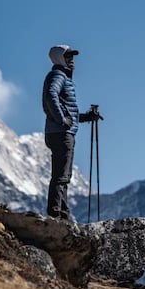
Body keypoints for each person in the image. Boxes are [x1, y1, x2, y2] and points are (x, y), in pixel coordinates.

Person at [42, 44, 101, 220]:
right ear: (60, 58)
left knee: (63, 175)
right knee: (62, 176)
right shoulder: (58, 76)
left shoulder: (62, 77)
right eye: (68, 57)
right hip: (62, 133)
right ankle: (56, 213)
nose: (72, 60)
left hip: (58, 132)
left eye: (72, 57)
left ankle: (62, 213)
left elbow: (69, 112)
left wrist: (87, 117)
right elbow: (51, 95)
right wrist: (62, 120)